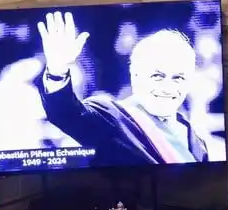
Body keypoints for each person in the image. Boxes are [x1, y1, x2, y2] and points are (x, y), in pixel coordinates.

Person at [36, 12, 208, 165]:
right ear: (135, 76)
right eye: (157, 76)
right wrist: (57, 71)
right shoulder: (110, 116)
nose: (167, 87)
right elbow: (67, 114)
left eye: (178, 78)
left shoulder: (197, 143)